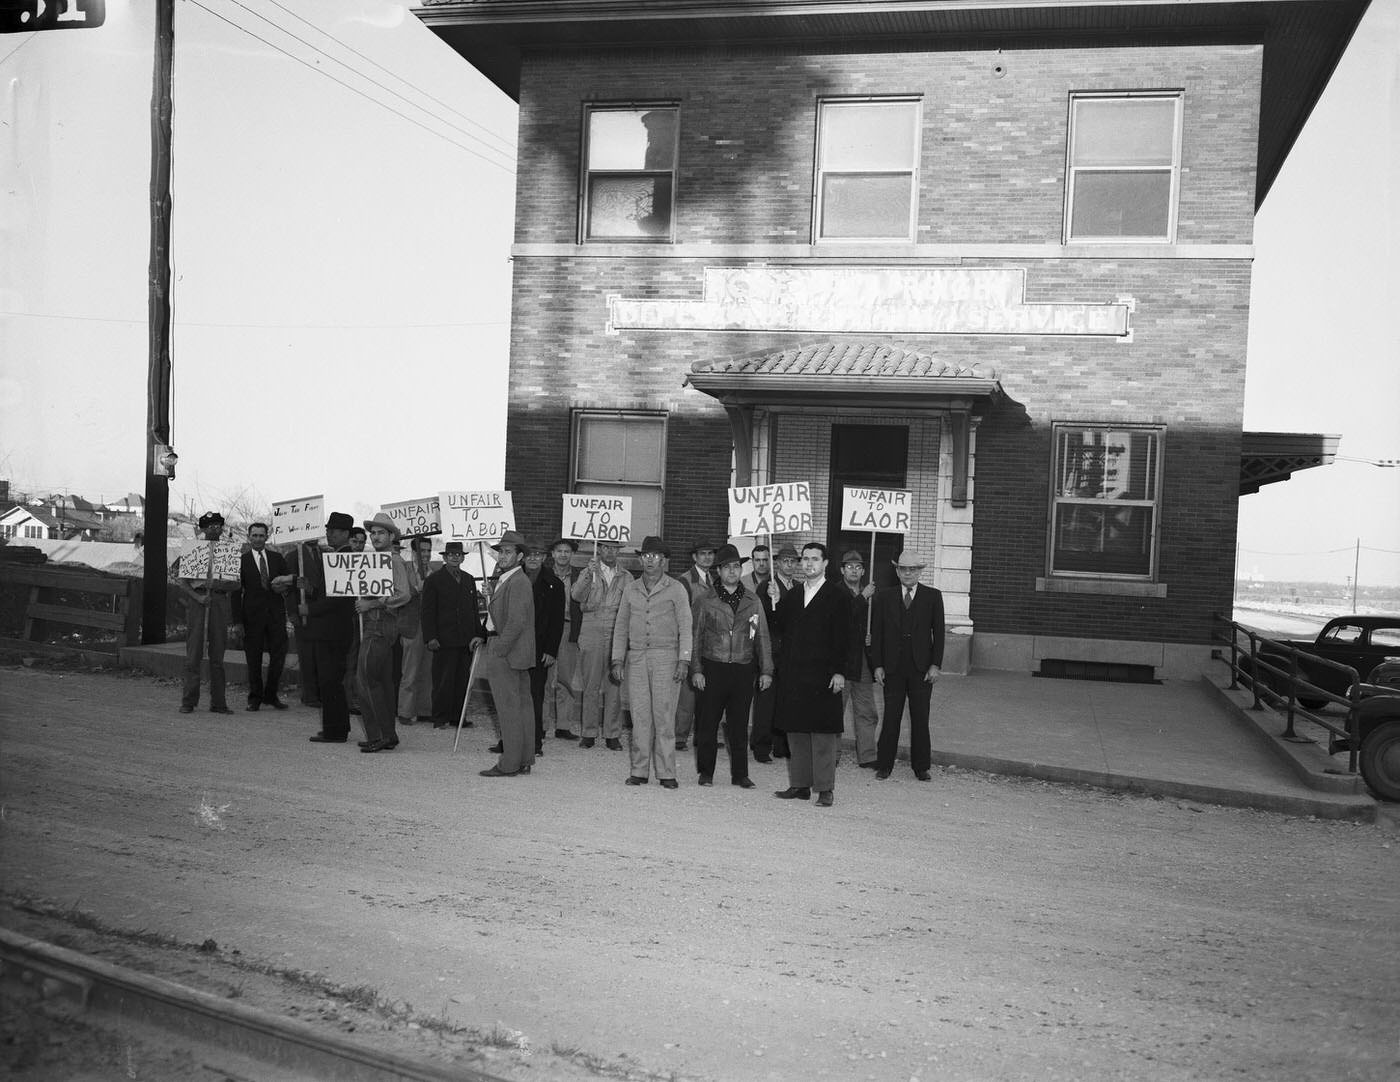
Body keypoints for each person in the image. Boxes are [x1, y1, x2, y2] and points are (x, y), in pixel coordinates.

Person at [771, 542, 851, 808]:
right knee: (796, 731)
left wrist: (840, 671)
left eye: (814, 559)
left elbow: (844, 638)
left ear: (825, 563)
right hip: (795, 675)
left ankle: (825, 788)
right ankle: (800, 784)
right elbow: (779, 627)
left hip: (824, 675)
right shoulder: (793, 596)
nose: (808, 564)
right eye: (804, 559)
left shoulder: (838, 596)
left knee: (822, 734)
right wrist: (773, 602)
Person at [610, 536, 691, 788]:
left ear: (665, 561)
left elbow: (686, 626)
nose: (650, 561)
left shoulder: (676, 588)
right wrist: (617, 659)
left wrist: (684, 660)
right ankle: (639, 770)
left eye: (655, 556)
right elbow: (621, 625)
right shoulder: (631, 588)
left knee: (664, 716)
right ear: (640, 559)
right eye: (646, 556)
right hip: (636, 657)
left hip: (666, 657)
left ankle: (667, 772)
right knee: (640, 715)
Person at [689, 543, 772, 788]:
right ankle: (706, 772)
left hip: (742, 668)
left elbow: (760, 635)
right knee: (707, 723)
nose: (733, 571)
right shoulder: (705, 601)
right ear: (719, 571)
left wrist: (766, 670)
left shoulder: (752, 601)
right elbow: (696, 637)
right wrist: (696, 670)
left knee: (738, 724)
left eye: (736, 566)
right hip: (712, 667)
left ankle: (740, 774)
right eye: (727, 567)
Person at [870, 550, 945, 782]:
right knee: (891, 717)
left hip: (921, 669)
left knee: (920, 718)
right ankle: (884, 764)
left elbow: (939, 633)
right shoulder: (884, 596)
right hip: (892, 667)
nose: (908, 573)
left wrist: (935, 665)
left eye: (913, 569)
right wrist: (877, 665)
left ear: (920, 571)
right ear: (897, 571)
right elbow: (877, 633)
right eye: (903, 569)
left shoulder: (933, 596)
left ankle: (921, 766)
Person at [480, 530, 536, 777]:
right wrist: (490, 598)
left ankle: (509, 764)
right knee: (521, 707)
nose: (502, 556)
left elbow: (516, 622)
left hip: (506, 651)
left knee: (508, 709)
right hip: (516, 652)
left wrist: (499, 649)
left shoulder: (517, 581)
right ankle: (523, 759)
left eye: (508, 552)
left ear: (520, 556)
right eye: (501, 551)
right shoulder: (511, 579)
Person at [297, 512, 357, 744]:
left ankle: (335, 730)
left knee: (330, 680)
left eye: (333, 530)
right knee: (331, 679)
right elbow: (329, 593)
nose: (329, 534)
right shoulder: (337, 557)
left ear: (344, 534)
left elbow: (338, 599)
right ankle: (337, 726)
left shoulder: (343, 558)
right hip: (334, 629)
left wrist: (309, 609)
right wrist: (310, 589)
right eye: (328, 529)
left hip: (333, 630)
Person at [355, 513, 412, 753]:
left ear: (391, 536)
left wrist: (373, 603)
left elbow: (404, 594)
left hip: (380, 626)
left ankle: (380, 735)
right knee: (379, 682)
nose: (376, 537)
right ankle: (387, 734)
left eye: (381, 533)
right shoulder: (375, 560)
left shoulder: (393, 560)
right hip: (376, 625)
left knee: (366, 680)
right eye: (373, 533)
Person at [176, 511, 237, 715]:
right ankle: (188, 700)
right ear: (202, 529)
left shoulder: (229, 551)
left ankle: (218, 702)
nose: (215, 529)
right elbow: (182, 582)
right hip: (198, 602)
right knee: (193, 653)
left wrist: (219, 583)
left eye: (218, 525)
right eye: (210, 526)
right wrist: (198, 597)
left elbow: (236, 584)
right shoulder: (193, 550)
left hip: (218, 601)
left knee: (217, 654)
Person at [570, 539, 629, 749]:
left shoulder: (627, 577)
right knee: (590, 684)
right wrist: (588, 573)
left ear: (619, 551)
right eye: (605, 547)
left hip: (617, 631)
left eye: (614, 548)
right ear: (600, 548)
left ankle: (612, 734)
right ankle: (588, 731)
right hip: (591, 628)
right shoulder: (589, 572)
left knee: (615, 684)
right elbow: (576, 596)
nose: (610, 551)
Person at [421, 541, 485, 729]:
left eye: (458, 555)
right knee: (443, 680)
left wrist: (477, 633)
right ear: (444, 557)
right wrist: (430, 636)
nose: (455, 557)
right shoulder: (434, 580)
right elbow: (427, 611)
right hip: (443, 639)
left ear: (463, 557)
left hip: (465, 639)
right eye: (451, 554)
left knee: (462, 680)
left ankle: (458, 717)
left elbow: (474, 610)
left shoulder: (469, 579)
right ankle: (440, 717)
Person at [752, 542, 800, 761]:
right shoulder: (766, 587)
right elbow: (761, 620)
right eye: (784, 561)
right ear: (777, 563)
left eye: (792, 561)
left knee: (786, 700)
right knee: (766, 700)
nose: (788, 565)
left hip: (791, 653)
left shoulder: (799, 587)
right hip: (770, 650)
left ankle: (782, 745)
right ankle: (761, 747)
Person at [239, 521, 291, 711]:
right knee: (253, 657)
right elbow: (237, 592)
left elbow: (289, 582)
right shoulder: (241, 560)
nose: (258, 539)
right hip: (252, 616)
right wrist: (237, 620)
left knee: (279, 655)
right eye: (255, 535)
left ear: (267, 537)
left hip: (276, 614)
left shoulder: (277, 558)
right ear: (249, 537)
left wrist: (284, 585)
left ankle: (271, 695)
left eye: (262, 535)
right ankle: (255, 698)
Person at [524, 538, 566, 757]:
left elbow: (557, 621)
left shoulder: (554, 584)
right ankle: (509, 740)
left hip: (540, 650)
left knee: (535, 695)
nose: (533, 558)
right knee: (512, 694)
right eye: (529, 554)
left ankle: (534, 742)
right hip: (515, 647)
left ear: (544, 558)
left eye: (538, 555)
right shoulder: (511, 578)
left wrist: (551, 650)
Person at [839, 549, 880, 769]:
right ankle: (831, 755)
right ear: (842, 570)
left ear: (863, 570)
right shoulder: (835, 592)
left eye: (857, 567)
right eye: (849, 566)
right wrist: (863, 597)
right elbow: (843, 617)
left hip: (863, 661)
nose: (853, 570)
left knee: (866, 710)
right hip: (842, 662)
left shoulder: (872, 596)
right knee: (836, 709)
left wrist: (871, 637)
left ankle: (867, 755)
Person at [675, 538, 718, 751]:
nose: (707, 557)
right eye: (703, 554)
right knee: (687, 693)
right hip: (691, 639)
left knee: (707, 692)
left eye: (710, 553)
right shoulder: (685, 581)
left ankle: (703, 736)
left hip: (710, 642)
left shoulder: (714, 579)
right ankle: (679, 736)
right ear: (694, 557)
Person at [544, 538, 584, 743]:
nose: (563, 555)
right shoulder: (543, 574)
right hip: (548, 629)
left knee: (566, 679)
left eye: (567, 551)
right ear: (552, 554)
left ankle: (563, 726)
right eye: (559, 551)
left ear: (572, 555)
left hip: (569, 627)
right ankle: (541, 724)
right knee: (544, 677)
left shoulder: (580, 575)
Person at [395, 535, 436, 726]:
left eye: (428, 551)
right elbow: (397, 595)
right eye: (422, 551)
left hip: (430, 629)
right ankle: (405, 711)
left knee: (427, 670)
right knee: (409, 671)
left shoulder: (435, 572)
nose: (426, 554)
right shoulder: (404, 569)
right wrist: (416, 590)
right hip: (410, 626)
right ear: (413, 552)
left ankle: (424, 710)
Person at [344, 525, 368, 714]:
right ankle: (348, 699)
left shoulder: (368, 561)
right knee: (350, 660)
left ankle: (358, 697)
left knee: (362, 659)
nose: (358, 545)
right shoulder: (340, 560)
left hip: (364, 616)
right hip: (346, 617)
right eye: (355, 541)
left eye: (362, 542)